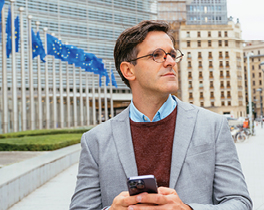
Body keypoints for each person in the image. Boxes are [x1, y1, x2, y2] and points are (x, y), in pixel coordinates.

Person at [70, 20, 252, 210]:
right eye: (157, 55)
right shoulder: (95, 141)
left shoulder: (213, 126)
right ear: (128, 70)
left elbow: (240, 203)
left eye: (172, 54)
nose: (171, 62)